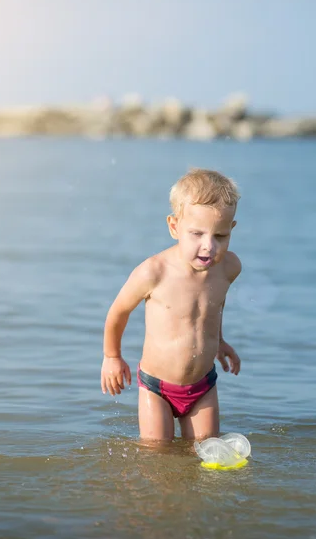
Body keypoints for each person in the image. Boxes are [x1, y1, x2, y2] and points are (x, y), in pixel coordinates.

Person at [101, 168, 243, 442]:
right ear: (174, 226)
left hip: (203, 385)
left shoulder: (229, 268)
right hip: (158, 387)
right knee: (158, 455)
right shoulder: (154, 272)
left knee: (205, 452)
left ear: (232, 229)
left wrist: (220, 341)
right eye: (196, 234)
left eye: (220, 236)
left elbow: (214, 305)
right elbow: (118, 312)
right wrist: (112, 357)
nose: (208, 247)